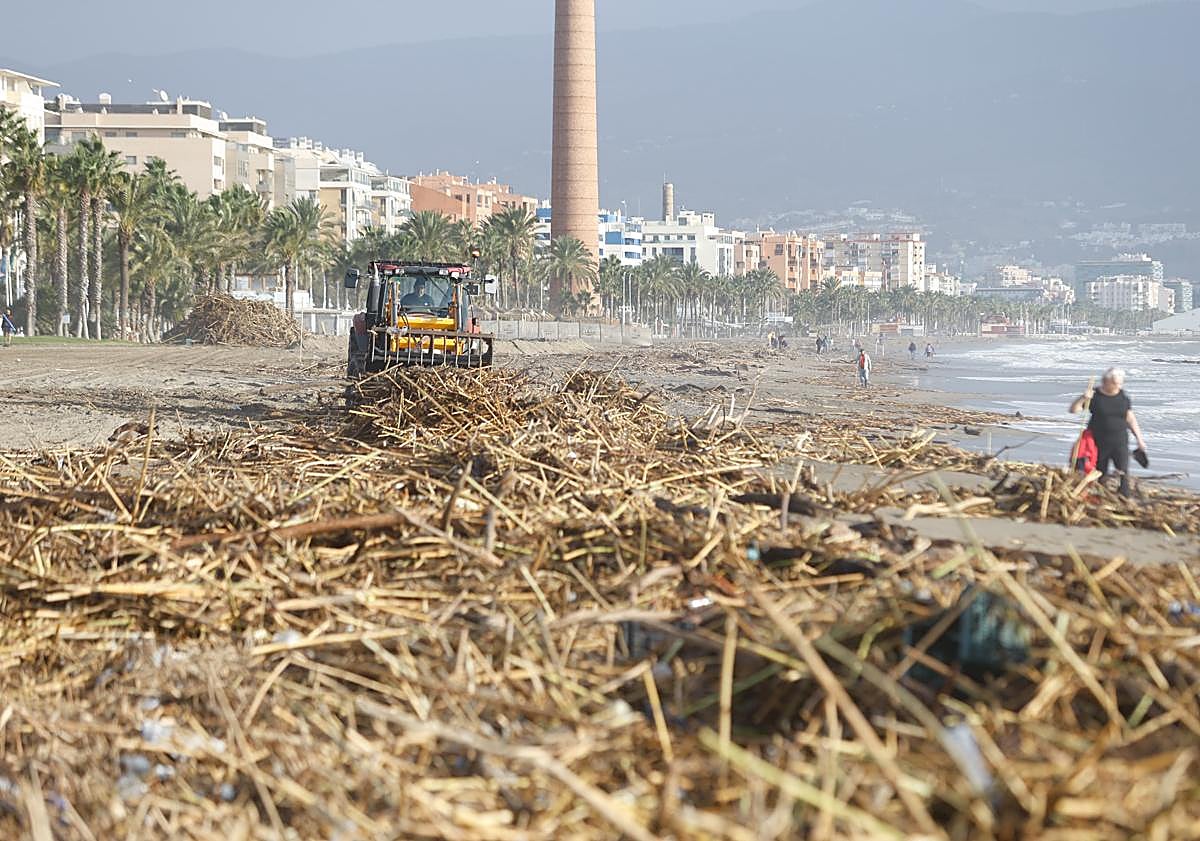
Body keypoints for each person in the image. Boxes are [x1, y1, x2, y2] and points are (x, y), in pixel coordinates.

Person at [1070, 367, 1147, 497]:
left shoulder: (1123, 397)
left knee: (1123, 472)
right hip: (1098, 442)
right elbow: (1074, 410)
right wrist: (1083, 398)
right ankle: (1100, 498)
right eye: (1116, 383)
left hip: (1120, 441)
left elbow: (1130, 418)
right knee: (1101, 472)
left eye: (1121, 383)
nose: (1119, 386)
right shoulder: (1094, 395)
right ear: (1107, 381)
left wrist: (1140, 439)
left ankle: (1125, 499)